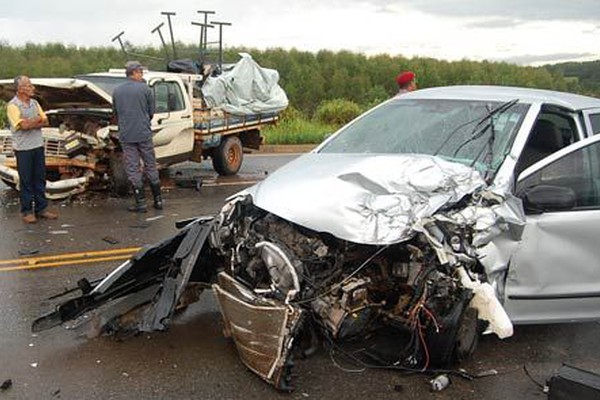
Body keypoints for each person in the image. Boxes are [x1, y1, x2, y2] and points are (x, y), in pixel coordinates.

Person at [6, 76, 58, 224]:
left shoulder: (35, 103)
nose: (33, 88)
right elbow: (23, 126)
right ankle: (27, 211)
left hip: (37, 146)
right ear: (20, 89)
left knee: (40, 178)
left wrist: (31, 121)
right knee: (26, 180)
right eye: (29, 86)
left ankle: (41, 208)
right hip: (23, 149)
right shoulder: (13, 106)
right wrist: (35, 121)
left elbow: (46, 121)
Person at [112, 61, 163, 213]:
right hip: (143, 133)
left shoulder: (117, 91)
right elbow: (151, 112)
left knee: (133, 168)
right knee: (150, 165)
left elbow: (115, 113)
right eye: (140, 72)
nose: (141, 75)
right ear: (134, 73)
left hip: (127, 135)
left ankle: (140, 203)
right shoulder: (146, 89)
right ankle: (158, 200)